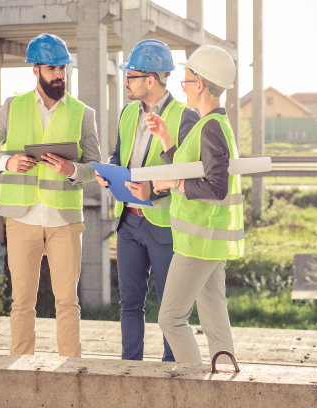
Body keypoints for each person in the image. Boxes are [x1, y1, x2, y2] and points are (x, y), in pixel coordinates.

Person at [0, 33, 101, 357]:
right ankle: (21, 373)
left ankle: (71, 373)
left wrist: (72, 171)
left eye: (63, 69)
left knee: (67, 302)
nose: (59, 75)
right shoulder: (14, 107)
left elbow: (95, 167)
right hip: (21, 218)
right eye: (53, 69)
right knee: (22, 302)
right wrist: (6, 162)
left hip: (64, 222)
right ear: (36, 70)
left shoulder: (84, 113)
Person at [95, 39, 199, 361]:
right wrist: (109, 172)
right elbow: (118, 155)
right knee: (130, 305)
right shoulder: (128, 113)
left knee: (171, 309)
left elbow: (188, 172)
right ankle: (131, 370)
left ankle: (170, 374)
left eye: (131, 77)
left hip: (164, 225)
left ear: (150, 80)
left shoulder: (185, 118)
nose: (125, 82)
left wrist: (153, 190)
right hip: (128, 222)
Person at [145, 45, 244, 363]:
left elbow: (216, 186)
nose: (182, 87)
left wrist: (172, 183)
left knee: (170, 319)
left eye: (185, 80)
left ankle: (194, 387)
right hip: (208, 240)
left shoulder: (210, 127)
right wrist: (166, 139)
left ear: (200, 85)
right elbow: (192, 168)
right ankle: (225, 379)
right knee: (215, 316)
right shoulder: (211, 124)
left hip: (198, 242)